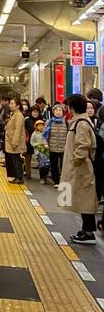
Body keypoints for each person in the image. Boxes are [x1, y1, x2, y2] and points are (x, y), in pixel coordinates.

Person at [62, 93, 99, 244]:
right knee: (83, 198)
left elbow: (82, 145)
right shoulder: (79, 121)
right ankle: (86, 230)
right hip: (80, 166)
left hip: (82, 167)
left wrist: (75, 162)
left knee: (86, 199)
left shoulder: (81, 123)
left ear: (72, 107)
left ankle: (89, 233)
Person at [3, 97, 26, 183]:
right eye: (10, 103)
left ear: (18, 106)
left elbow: (18, 130)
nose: (10, 105)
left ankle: (19, 177)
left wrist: (15, 142)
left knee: (16, 161)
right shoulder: (13, 114)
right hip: (10, 142)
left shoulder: (19, 116)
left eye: (13, 104)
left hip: (15, 143)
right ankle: (15, 176)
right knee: (13, 161)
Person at [46, 103, 68, 185]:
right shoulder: (49, 122)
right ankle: (56, 181)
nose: (58, 112)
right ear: (53, 112)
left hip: (64, 147)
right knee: (54, 165)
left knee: (64, 165)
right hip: (52, 147)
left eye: (60, 110)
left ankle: (63, 180)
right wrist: (46, 144)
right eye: (56, 110)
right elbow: (45, 134)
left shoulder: (66, 122)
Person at [30, 119, 50, 184]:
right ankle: (42, 178)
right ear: (36, 126)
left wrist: (47, 145)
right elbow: (32, 142)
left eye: (42, 125)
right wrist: (38, 145)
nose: (41, 127)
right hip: (39, 151)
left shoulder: (46, 133)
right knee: (42, 165)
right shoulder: (34, 134)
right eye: (39, 125)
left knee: (47, 164)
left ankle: (45, 176)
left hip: (46, 151)